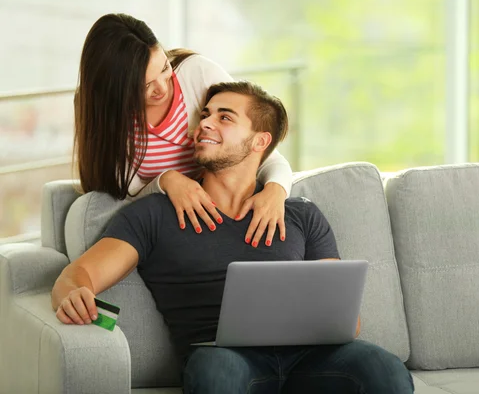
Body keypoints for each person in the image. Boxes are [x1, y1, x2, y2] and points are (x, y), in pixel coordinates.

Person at [52, 81, 414, 393]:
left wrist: (336, 320)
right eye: (205, 115)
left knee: (384, 368)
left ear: (260, 141)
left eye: (224, 117)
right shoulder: (155, 213)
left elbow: (347, 322)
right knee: (216, 375)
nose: (205, 123)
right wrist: (73, 293)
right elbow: (78, 275)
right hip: (223, 357)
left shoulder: (301, 214)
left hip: (312, 357)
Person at [74, 13, 291, 246]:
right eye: (145, 85)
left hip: (223, 210)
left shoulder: (196, 73)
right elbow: (128, 193)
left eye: (164, 68)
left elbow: (256, 147)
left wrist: (276, 190)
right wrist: (166, 181)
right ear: (113, 89)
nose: (162, 88)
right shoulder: (106, 117)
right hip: (169, 220)